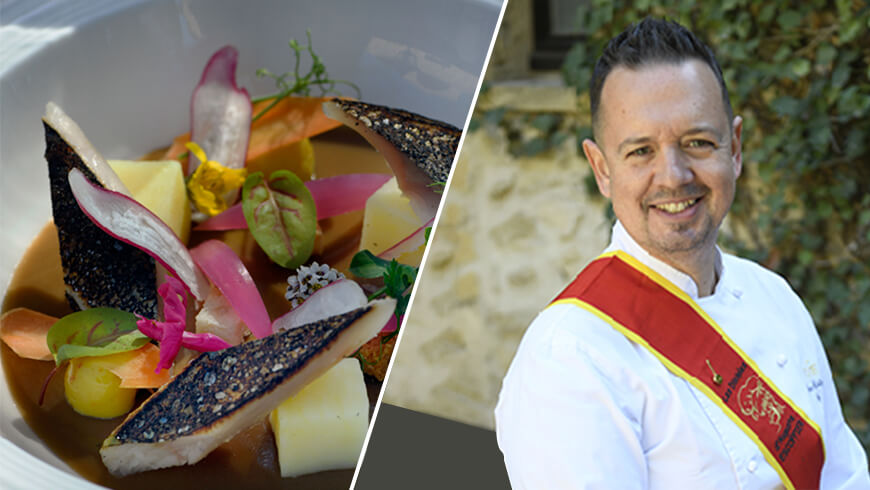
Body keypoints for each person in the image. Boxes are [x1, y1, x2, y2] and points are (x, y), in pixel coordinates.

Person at [494, 17, 870, 489]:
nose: (673, 176)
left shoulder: (775, 297)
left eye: (697, 142)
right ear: (601, 169)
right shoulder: (570, 358)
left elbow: (846, 477)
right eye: (640, 152)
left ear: (734, 148)